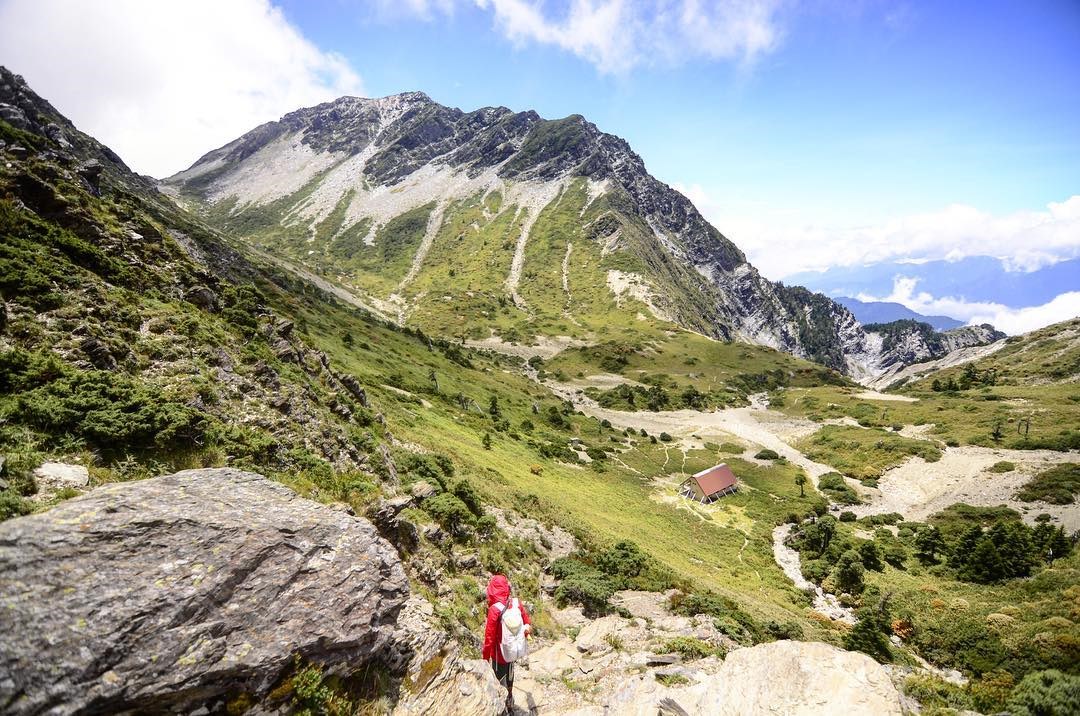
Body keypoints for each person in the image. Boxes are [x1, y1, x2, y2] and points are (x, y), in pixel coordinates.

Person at [482, 574, 531, 713]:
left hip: (499, 654)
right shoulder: (516, 603)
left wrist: (485, 658)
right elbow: (527, 622)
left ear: (491, 589)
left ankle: (502, 707)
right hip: (514, 649)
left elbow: (489, 638)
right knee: (510, 672)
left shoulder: (494, 609)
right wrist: (525, 633)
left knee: (498, 679)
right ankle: (510, 698)